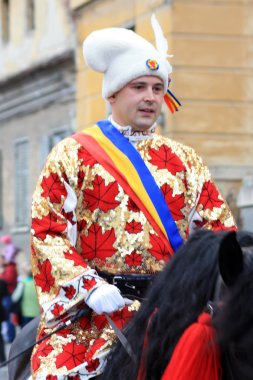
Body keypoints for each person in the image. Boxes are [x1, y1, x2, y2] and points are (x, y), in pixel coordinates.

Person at [30, 15, 236, 379]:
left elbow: (219, 234)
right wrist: (87, 286)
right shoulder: (72, 154)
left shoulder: (185, 161)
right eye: (138, 87)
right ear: (113, 93)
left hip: (175, 309)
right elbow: (48, 232)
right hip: (97, 316)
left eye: (158, 88)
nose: (150, 97)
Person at [0, 235, 19, 343]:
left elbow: (8, 280)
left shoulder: (10, 268)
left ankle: (10, 337)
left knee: (8, 317)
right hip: (4, 295)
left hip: (7, 295)